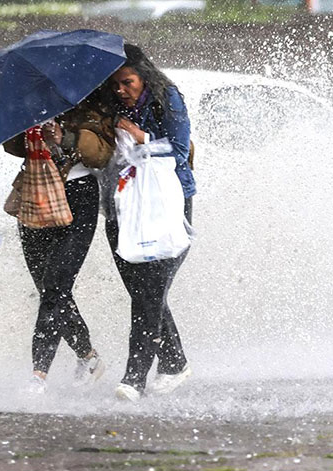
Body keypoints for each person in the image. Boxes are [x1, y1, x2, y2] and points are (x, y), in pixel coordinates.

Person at [101, 44, 196, 402]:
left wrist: (139, 137)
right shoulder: (108, 108)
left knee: (150, 292)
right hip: (122, 206)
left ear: (144, 77)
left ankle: (133, 378)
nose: (121, 91)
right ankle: (174, 363)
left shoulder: (166, 97)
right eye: (115, 85)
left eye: (127, 82)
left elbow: (179, 146)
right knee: (143, 293)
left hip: (166, 203)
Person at [3, 92, 115, 394]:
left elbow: (102, 155)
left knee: (55, 287)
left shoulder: (94, 102)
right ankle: (89, 356)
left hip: (79, 197)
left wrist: (64, 136)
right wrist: (25, 124)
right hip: (35, 192)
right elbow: (10, 146)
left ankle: (38, 375)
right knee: (48, 290)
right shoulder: (30, 100)